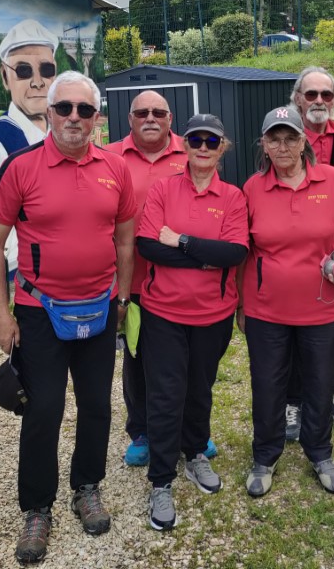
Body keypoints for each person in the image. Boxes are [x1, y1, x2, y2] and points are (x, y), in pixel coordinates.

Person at [0, 71, 136, 562]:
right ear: (48, 113)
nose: (73, 117)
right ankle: (37, 508)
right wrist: (0, 315)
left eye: (83, 110)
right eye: (64, 108)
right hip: (39, 311)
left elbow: (126, 239)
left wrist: (124, 298)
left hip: (98, 308)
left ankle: (87, 485)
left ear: (95, 118)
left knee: (96, 405)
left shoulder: (115, 168)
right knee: (43, 409)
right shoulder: (21, 167)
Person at [240, 106, 334, 497]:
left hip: (323, 307)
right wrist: (242, 307)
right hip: (266, 310)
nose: (282, 145)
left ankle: (320, 452)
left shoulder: (331, 179)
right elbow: (243, 250)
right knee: (268, 385)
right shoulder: (252, 188)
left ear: (303, 140)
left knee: (320, 382)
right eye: (274, 138)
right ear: (263, 143)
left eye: (290, 137)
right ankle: (265, 456)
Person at [136, 114, 248, 531]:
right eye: (196, 139)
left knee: (200, 389)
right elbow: (149, 246)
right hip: (163, 311)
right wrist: (205, 255)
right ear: (185, 144)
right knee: (166, 395)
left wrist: (181, 240)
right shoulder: (164, 188)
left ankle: (196, 452)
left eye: (212, 140)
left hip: (213, 313)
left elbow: (234, 253)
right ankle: (161, 479)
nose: (203, 146)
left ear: (223, 147)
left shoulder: (233, 197)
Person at [105, 91, 218, 466]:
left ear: (171, 118)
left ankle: (192, 430)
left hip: (179, 282)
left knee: (186, 364)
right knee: (137, 361)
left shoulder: (189, 153)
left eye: (158, 112)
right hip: (130, 281)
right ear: (130, 118)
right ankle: (142, 431)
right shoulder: (109, 157)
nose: (150, 118)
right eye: (142, 112)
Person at [285, 67, 334, 439]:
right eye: (311, 94)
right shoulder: (280, 137)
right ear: (297, 97)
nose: (318, 101)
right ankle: (292, 402)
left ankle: (327, 394)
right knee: (287, 335)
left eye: (326, 95)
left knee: (330, 336)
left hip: (333, 259)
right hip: (291, 254)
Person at [0, 19, 57, 277]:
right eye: (23, 71)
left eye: (46, 69)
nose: (38, 82)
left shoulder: (56, 135)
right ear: (4, 76)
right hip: (22, 276)